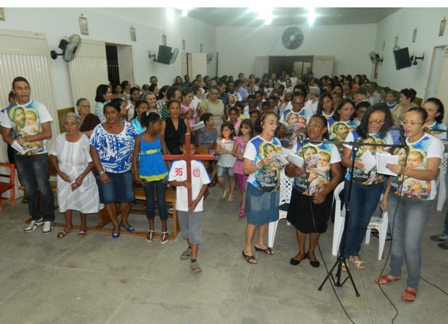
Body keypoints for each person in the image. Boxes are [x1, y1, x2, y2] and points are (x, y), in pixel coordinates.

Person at [379, 107, 444, 302]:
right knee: (397, 237)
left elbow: (431, 173)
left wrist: (405, 170)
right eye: (405, 122)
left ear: (424, 124)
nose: (407, 126)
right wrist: (386, 195)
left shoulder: (433, 143)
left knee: (411, 243)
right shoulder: (401, 142)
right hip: (396, 196)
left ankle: (413, 284)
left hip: (420, 200)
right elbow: (393, 173)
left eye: (413, 123)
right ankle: (394, 272)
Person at [341, 104, 394, 270]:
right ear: (366, 120)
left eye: (380, 122)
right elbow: (345, 160)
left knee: (364, 221)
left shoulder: (386, 137)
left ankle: (355, 251)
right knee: (353, 220)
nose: (376, 125)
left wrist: (382, 164)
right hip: (355, 184)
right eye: (373, 121)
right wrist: (355, 163)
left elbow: (387, 162)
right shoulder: (354, 134)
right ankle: (345, 254)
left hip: (375, 185)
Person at [0, 77, 55, 233]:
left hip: (38, 154)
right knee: (30, 190)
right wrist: (14, 143)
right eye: (19, 88)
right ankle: (36, 218)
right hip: (20, 155)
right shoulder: (9, 111)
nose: (23, 91)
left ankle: (49, 218)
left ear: (29, 89)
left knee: (44, 188)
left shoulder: (39, 107)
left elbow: (47, 132)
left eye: (26, 88)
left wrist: (25, 139)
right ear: (14, 90)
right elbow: (5, 135)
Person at [286, 115, 341, 267]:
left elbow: (337, 174)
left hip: (321, 194)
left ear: (324, 130)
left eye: (316, 125)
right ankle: (301, 251)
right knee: (300, 224)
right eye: (310, 124)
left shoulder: (331, 147)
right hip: (300, 192)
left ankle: (311, 252)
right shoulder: (299, 145)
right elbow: (287, 171)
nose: (311, 127)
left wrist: (324, 193)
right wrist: (296, 171)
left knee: (316, 225)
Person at [50, 113, 103, 239]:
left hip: (82, 175)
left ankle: (83, 226)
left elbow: (92, 162)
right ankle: (68, 226)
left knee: (81, 201)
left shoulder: (85, 140)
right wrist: (59, 171)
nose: (70, 126)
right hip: (64, 176)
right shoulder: (60, 138)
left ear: (79, 125)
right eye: (67, 123)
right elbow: (53, 155)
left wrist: (80, 177)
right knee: (65, 200)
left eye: (73, 123)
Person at [90, 100, 138, 238]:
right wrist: (101, 172)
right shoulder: (99, 129)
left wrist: (135, 165)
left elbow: (136, 146)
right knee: (109, 199)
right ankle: (115, 224)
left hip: (125, 171)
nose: (110, 116)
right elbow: (93, 152)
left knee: (127, 199)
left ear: (119, 113)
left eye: (113, 112)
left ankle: (123, 220)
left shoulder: (129, 128)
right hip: (105, 172)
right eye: (107, 113)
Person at [242, 111, 283, 264]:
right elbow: (246, 169)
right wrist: (261, 163)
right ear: (262, 124)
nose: (274, 125)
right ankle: (247, 248)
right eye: (271, 122)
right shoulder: (254, 143)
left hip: (272, 186)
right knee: (254, 219)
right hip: (257, 187)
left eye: (276, 122)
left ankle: (260, 242)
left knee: (267, 215)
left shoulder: (277, 142)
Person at [168, 135, 210, 274]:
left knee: (194, 233)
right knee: (185, 232)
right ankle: (190, 247)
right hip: (181, 204)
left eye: (191, 149)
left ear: (195, 149)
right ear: (181, 148)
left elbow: (205, 183)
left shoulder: (198, 164)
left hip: (196, 205)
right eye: (185, 149)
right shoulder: (177, 164)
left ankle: (193, 260)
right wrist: (182, 183)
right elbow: (171, 181)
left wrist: (196, 201)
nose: (188, 152)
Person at [132, 112, 170, 244]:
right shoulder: (140, 138)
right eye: (159, 124)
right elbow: (135, 157)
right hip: (146, 173)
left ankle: (164, 229)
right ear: (151, 124)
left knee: (161, 202)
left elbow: (166, 154)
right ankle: (151, 228)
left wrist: (169, 173)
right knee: (149, 202)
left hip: (160, 172)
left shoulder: (160, 136)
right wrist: (136, 175)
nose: (160, 126)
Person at [233, 119, 255, 217]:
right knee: (241, 186)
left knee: (246, 187)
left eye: (246, 128)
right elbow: (233, 152)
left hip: (248, 166)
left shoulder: (253, 140)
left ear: (250, 129)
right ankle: (244, 200)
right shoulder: (238, 139)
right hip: (239, 165)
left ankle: (243, 208)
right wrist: (237, 155)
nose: (243, 130)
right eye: (241, 127)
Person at [216, 121, 237, 202]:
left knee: (232, 179)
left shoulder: (235, 140)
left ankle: (231, 194)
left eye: (227, 130)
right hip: (222, 162)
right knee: (220, 179)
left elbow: (234, 151)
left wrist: (227, 151)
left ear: (231, 131)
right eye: (223, 130)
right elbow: (217, 151)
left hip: (232, 163)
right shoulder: (219, 139)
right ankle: (225, 188)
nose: (224, 132)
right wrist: (219, 151)